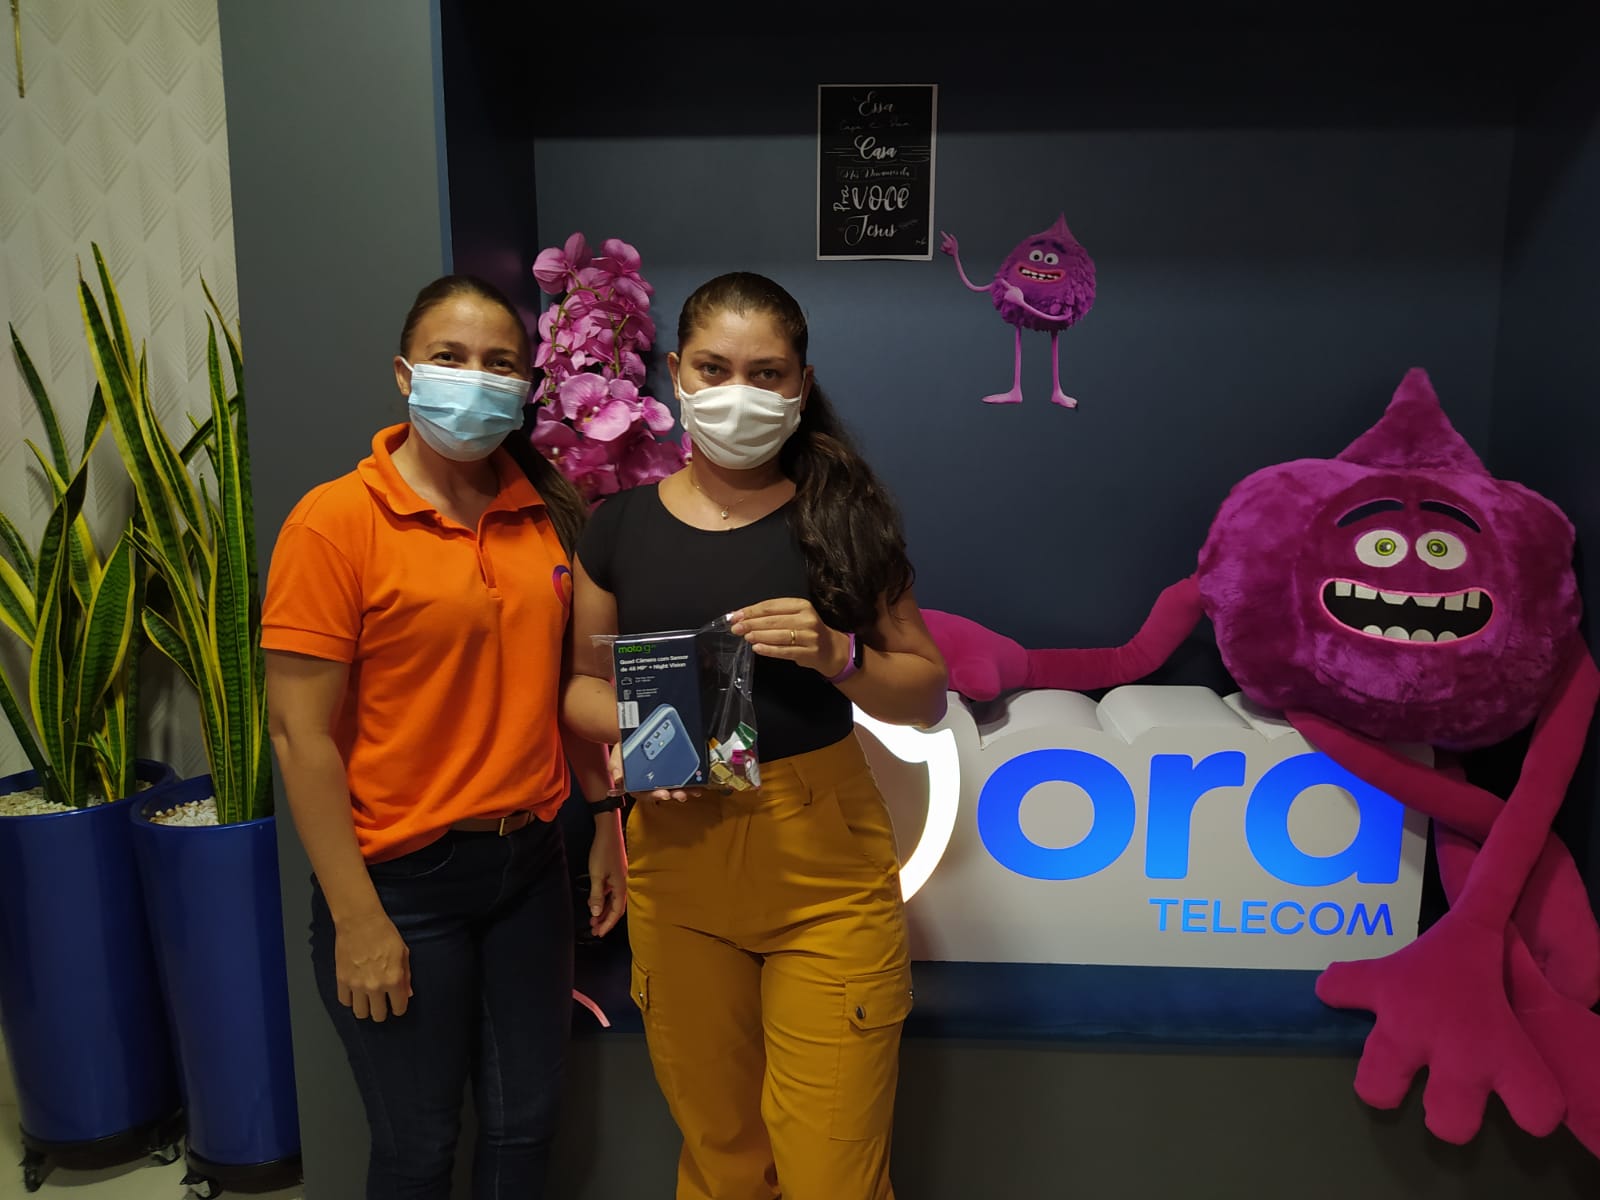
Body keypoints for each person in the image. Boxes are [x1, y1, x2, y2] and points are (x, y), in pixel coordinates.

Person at [564, 271, 948, 1200]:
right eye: (715, 368)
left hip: (823, 868)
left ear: (801, 386)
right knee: (723, 1158)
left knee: (832, 1172)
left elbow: (927, 692)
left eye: (766, 373)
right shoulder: (617, 529)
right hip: (677, 860)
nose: (739, 393)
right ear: (675, 374)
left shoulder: (844, 522)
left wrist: (840, 657)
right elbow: (581, 688)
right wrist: (644, 736)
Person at [261, 274, 627, 1200]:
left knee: (525, 1128)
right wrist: (357, 920)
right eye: (449, 357)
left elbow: (565, 691)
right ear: (404, 373)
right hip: (399, 883)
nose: (475, 378)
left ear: (526, 386)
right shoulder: (334, 523)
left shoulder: (547, 515)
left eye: (499, 363)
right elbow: (299, 737)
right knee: (418, 1148)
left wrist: (606, 824)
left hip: (529, 870)